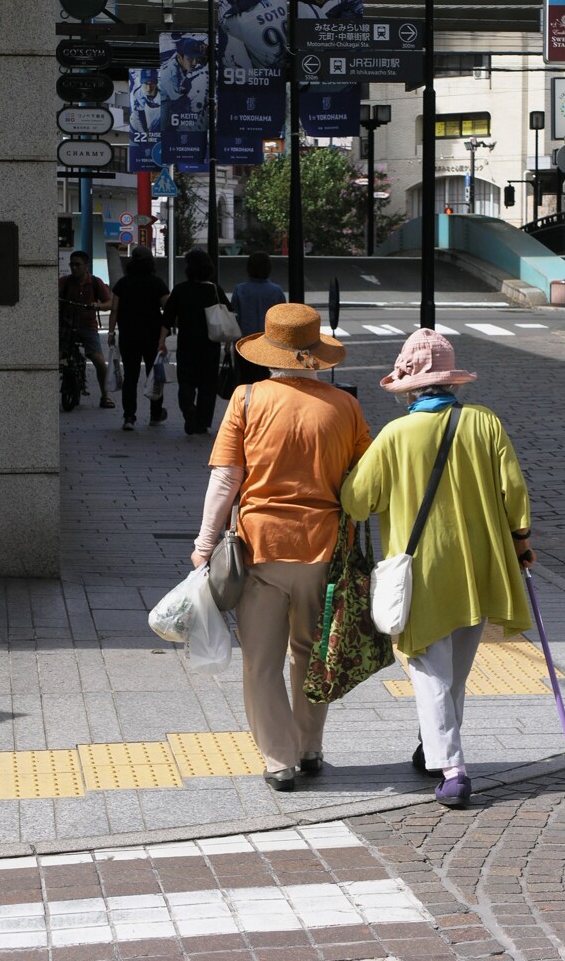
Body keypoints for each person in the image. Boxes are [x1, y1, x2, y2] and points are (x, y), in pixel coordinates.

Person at [340, 329, 536, 810]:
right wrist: (522, 539)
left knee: (429, 671)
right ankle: (434, 748)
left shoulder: (394, 436)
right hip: (480, 565)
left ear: (409, 387)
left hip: (423, 570)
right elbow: (514, 491)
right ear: (450, 381)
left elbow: (357, 502)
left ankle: (452, 768)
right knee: (454, 676)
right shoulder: (484, 423)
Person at [190, 303, 371, 792]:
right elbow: (364, 482)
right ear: (315, 354)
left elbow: (226, 479)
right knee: (312, 653)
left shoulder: (245, 400)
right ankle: (310, 747)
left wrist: (205, 543)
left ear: (268, 352)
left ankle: (279, 760)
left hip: (260, 546)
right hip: (325, 545)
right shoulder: (345, 406)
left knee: (261, 662)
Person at [159, 248, 231, 436]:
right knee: (208, 384)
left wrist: (161, 341)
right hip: (210, 345)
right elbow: (229, 313)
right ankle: (203, 421)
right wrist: (229, 342)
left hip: (187, 344)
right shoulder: (214, 289)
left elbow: (167, 317)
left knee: (187, 382)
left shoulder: (181, 290)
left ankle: (189, 410)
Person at [107, 246, 170, 432]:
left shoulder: (122, 283)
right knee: (156, 376)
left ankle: (129, 417)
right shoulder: (157, 283)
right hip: (152, 337)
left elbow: (114, 310)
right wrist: (165, 335)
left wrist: (111, 333)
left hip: (129, 336)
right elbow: (168, 307)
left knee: (130, 377)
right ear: (150, 262)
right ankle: (155, 415)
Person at [58, 250, 114, 409]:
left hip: (88, 326)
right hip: (67, 325)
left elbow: (109, 303)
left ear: (86, 266)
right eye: (71, 264)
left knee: (99, 361)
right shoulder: (65, 282)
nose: (74, 267)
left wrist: (98, 305)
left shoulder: (96, 282)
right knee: (55, 357)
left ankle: (105, 396)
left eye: (77, 264)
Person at [229, 252, 286, 383]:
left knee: (246, 381)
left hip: (245, 344)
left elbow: (234, 319)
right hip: (270, 345)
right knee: (268, 382)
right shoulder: (277, 291)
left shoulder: (240, 290)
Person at [158, 37, 207, 131]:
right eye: (190, 59)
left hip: (175, 96)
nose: (194, 63)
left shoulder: (183, 63)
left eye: (196, 58)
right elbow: (178, 102)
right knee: (165, 129)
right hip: (165, 103)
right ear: (179, 57)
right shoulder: (170, 75)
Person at [129, 69, 160, 136]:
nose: (148, 88)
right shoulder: (138, 93)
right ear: (141, 82)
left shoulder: (164, 92)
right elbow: (138, 115)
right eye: (146, 83)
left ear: (156, 83)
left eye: (151, 84)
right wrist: (144, 133)